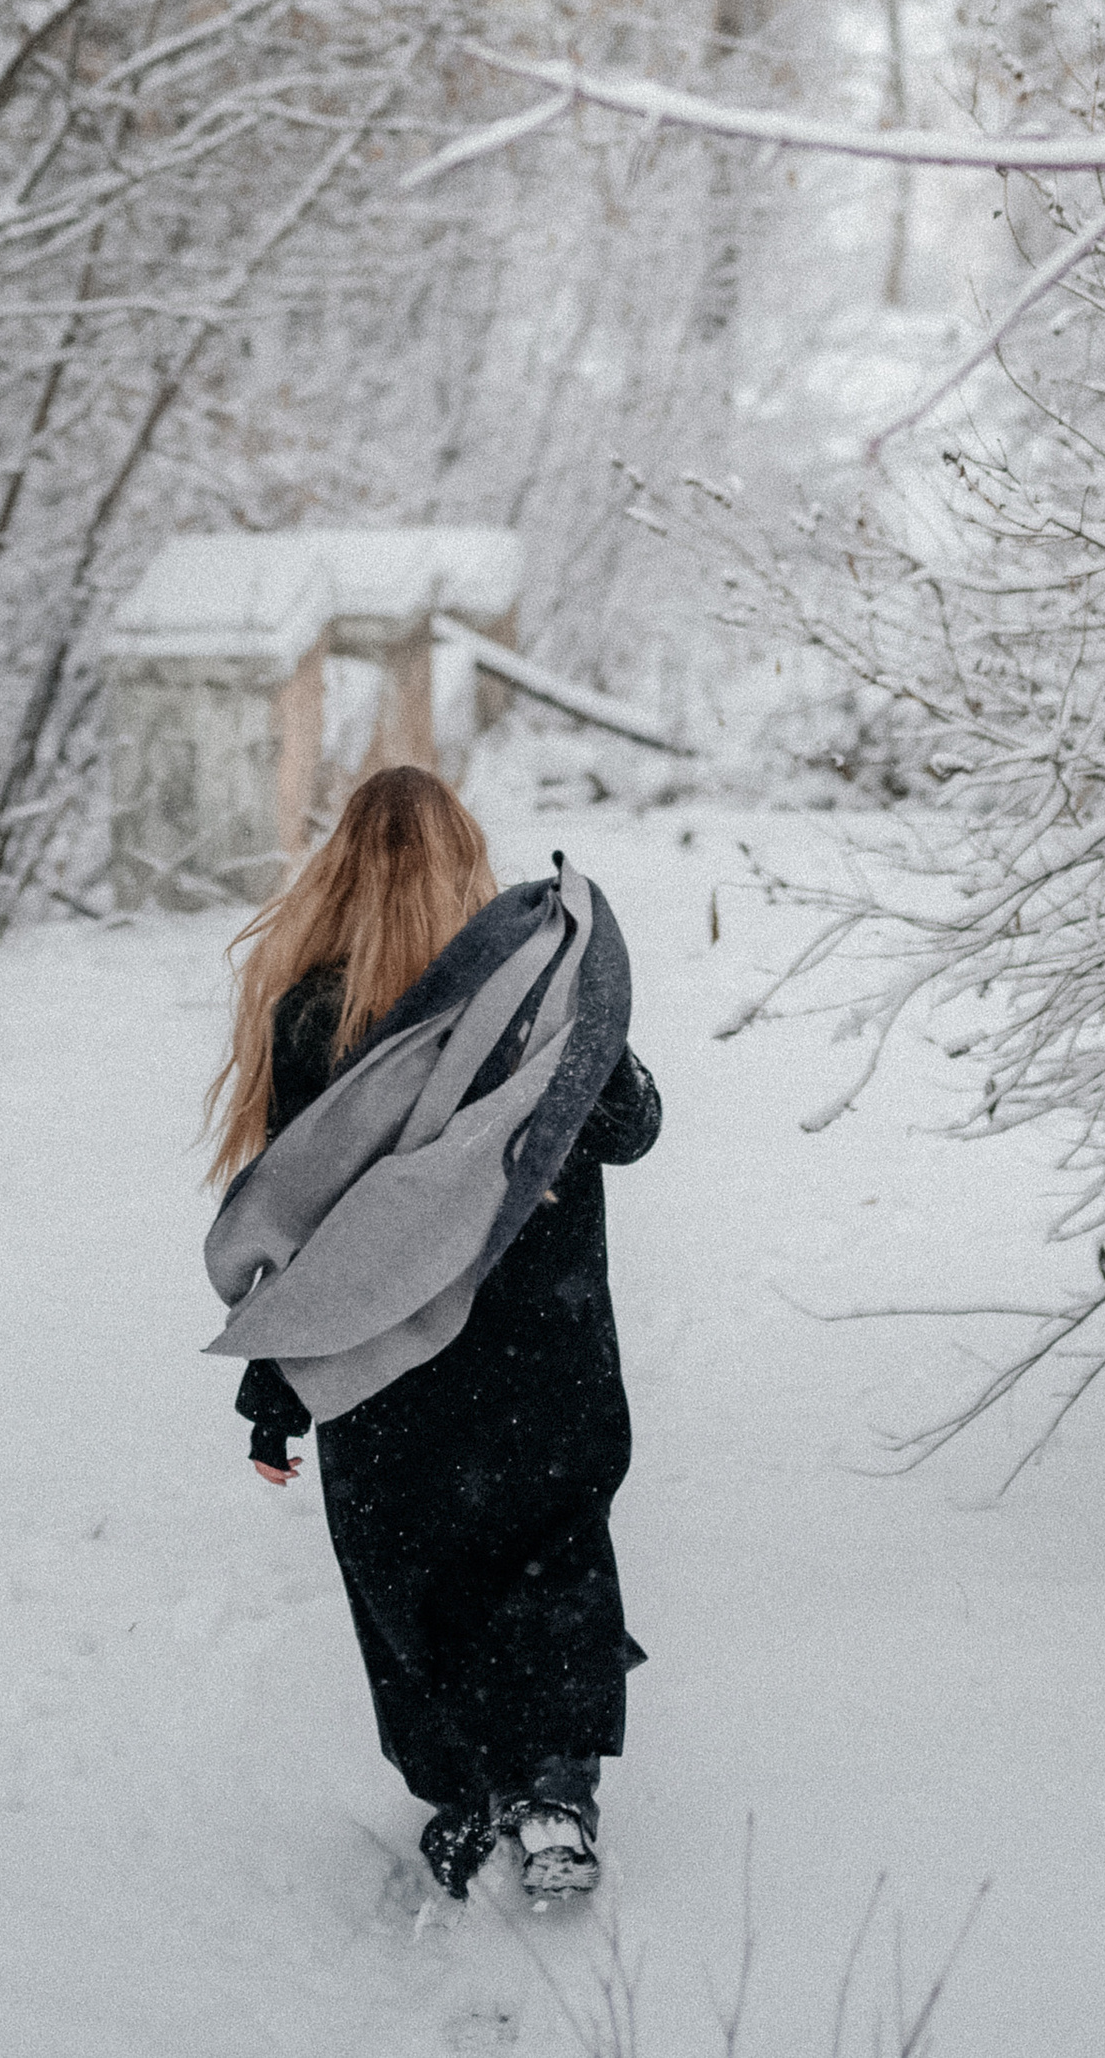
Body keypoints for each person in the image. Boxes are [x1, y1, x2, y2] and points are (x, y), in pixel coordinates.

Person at [202, 763, 661, 1906]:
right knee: (553, 1550)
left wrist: (280, 1378)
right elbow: (634, 1124)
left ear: (340, 867)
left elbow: (307, 1212)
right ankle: (550, 1787)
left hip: (389, 1357)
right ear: (469, 858)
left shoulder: (314, 1014)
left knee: (415, 1579)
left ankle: (465, 1793)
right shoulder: (540, 989)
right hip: (544, 1342)